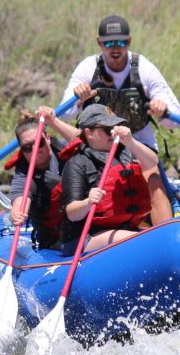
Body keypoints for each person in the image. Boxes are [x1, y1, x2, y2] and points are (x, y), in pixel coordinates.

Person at [60, 15, 180, 223]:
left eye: (121, 42)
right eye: (108, 43)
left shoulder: (144, 68)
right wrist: (77, 98)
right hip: (97, 146)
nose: (115, 48)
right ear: (99, 43)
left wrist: (163, 109)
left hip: (136, 143)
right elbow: (65, 113)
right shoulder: (88, 68)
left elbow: (176, 120)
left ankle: (163, 232)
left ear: (129, 42)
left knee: (152, 176)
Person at [58, 104, 158, 255]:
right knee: (144, 241)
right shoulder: (77, 164)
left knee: (148, 238)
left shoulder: (125, 152)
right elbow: (72, 213)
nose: (112, 133)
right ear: (89, 133)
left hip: (124, 229)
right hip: (85, 237)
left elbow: (152, 162)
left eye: (115, 126)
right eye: (106, 129)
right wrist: (88, 202)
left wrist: (130, 142)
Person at [7, 106, 81, 250]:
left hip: (85, 225)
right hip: (54, 239)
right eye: (27, 148)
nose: (34, 150)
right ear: (22, 150)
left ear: (47, 138)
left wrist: (53, 121)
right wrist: (16, 214)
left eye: (38, 143)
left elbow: (89, 140)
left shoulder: (68, 153)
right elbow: (20, 201)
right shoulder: (24, 173)